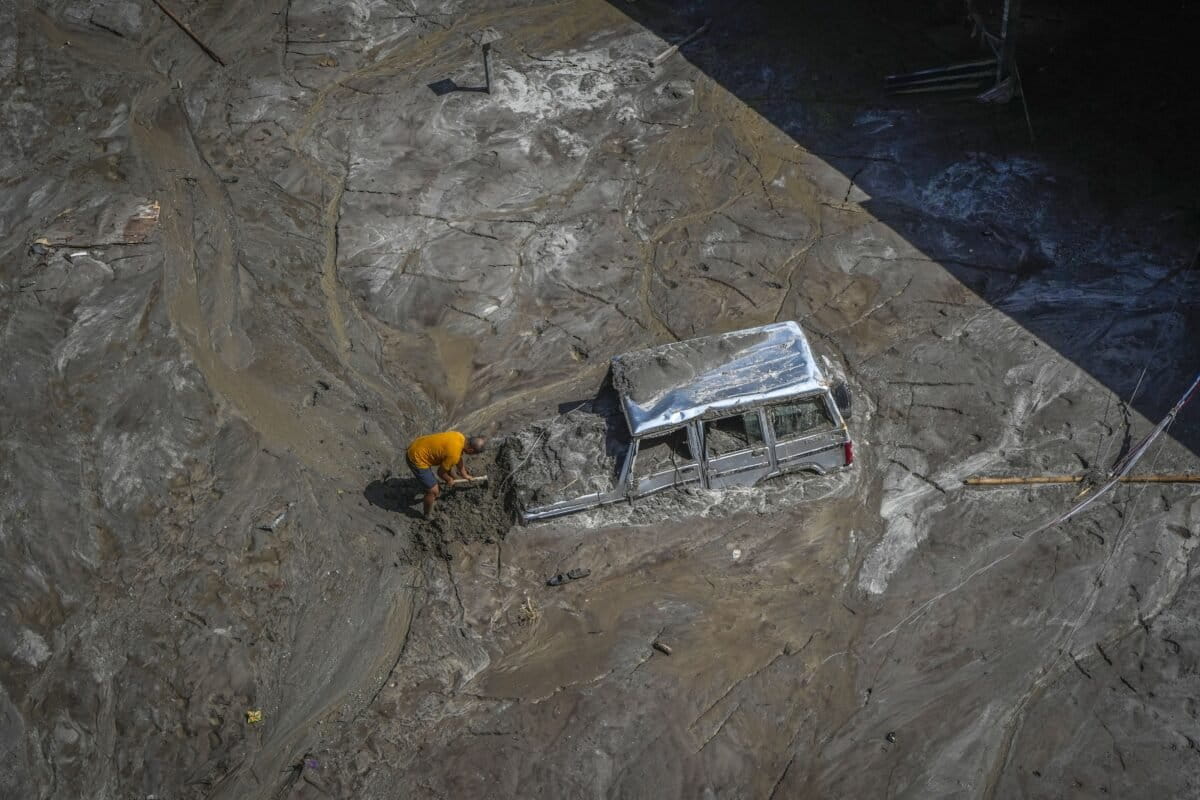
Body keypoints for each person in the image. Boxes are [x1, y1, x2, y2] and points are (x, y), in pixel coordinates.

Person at [406, 431, 487, 518]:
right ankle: (426, 515)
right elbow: (440, 472)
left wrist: (464, 474)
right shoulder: (454, 454)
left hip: (417, 444)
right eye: (473, 454)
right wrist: (448, 479)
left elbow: (458, 457)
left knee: (450, 465)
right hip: (415, 457)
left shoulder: (459, 436)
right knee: (434, 491)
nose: (471, 455)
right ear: (470, 450)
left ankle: (441, 480)